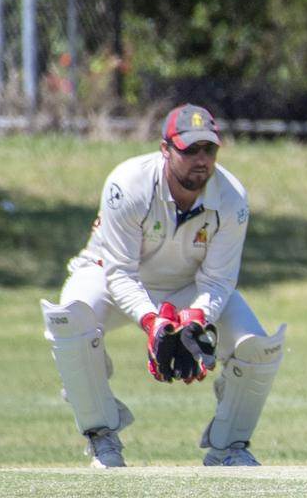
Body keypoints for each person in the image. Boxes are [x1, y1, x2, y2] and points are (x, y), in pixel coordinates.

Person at [40, 103, 286, 468]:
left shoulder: (232, 199)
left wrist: (197, 317)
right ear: (165, 149)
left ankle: (229, 448)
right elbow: (120, 272)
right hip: (109, 277)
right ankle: (102, 439)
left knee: (258, 347)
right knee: (69, 318)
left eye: (209, 150)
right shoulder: (128, 184)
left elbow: (219, 279)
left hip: (188, 287)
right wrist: (154, 322)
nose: (201, 160)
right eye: (189, 150)